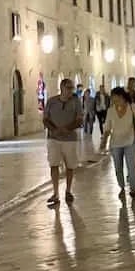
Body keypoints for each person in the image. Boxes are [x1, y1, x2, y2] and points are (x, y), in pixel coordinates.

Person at [44, 77, 83, 207]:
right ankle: (55, 193)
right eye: (68, 88)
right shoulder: (51, 102)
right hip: (53, 139)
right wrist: (54, 130)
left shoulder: (76, 102)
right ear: (61, 88)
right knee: (53, 164)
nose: (71, 91)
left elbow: (79, 119)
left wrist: (67, 129)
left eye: (72, 88)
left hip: (70, 140)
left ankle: (68, 190)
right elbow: (45, 119)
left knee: (70, 166)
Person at [102, 88, 135, 203]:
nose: (114, 100)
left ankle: (133, 188)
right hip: (116, 143)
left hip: (130, 141)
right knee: (118, 167)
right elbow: (107, 127)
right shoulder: (111, 111)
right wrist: (104, 140)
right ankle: (122, 186)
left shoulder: (132, 107)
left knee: (131, 166)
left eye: (116, 97)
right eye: (113, 98)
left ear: (122, 96)